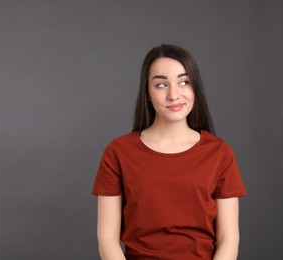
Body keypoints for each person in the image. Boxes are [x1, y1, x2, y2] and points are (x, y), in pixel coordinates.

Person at [92, 44, 247, 259]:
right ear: (147, 91)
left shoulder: (220, 153)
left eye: (184, 82)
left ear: (195, 89)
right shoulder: (118, 152)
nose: (174, 95)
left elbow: (228, 239)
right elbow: (107, 238)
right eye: (162, 84)